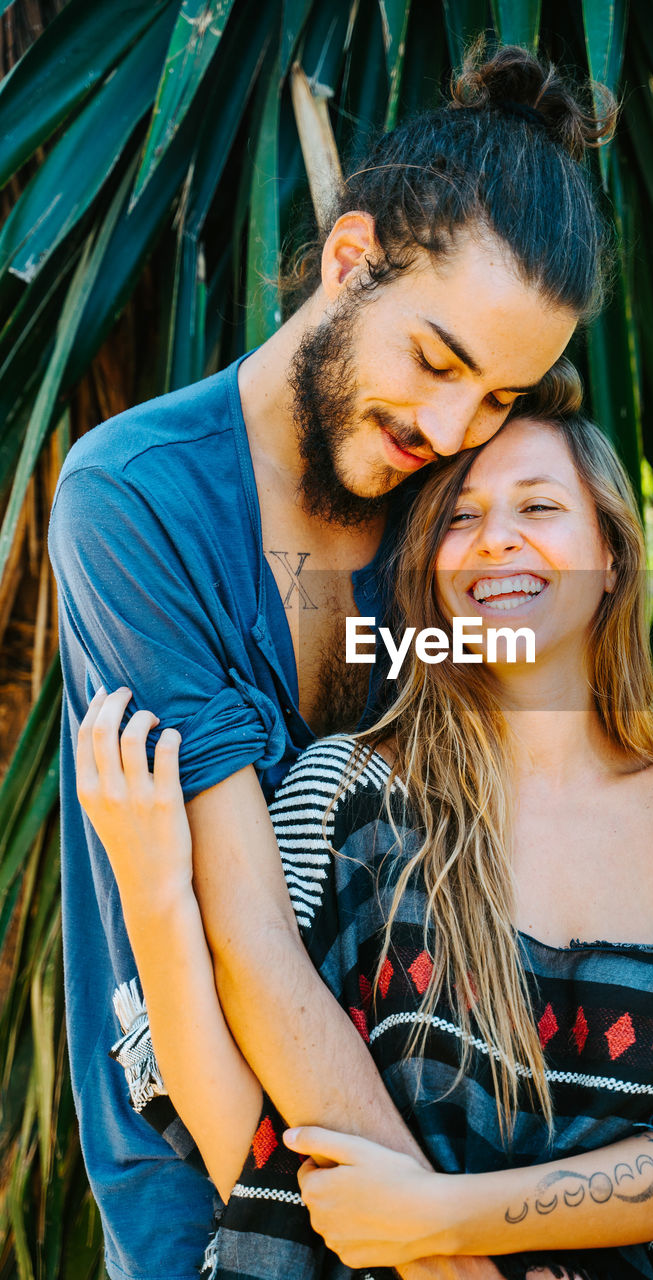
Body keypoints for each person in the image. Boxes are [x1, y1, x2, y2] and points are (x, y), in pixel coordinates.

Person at [48, 42, 617, 1280]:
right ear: (351, 261)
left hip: (471, 1183)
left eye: (498, 398)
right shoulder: (137, 501)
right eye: (437, 361)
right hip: (210, 1199)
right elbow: (243, 931)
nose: (452, 432)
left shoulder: (457, 513)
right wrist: (443, 1263)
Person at [76, 391, 653, 1279]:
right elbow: (245, 1141)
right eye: (461, 516)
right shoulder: (348, 793)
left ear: (609, 554)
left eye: (540, 506)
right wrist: (154, 891)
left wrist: (437, 1218)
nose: (496, 537)